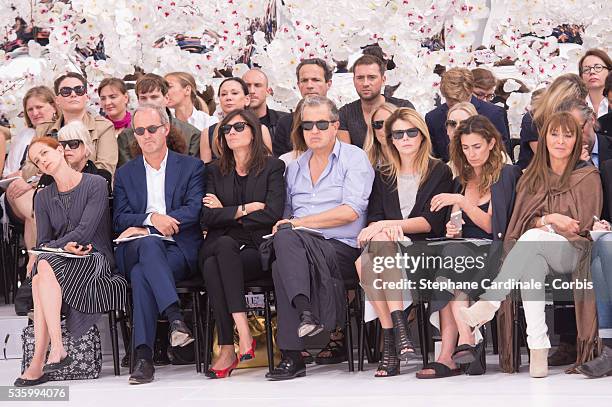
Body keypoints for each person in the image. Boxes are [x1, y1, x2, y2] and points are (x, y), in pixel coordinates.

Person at [460, 112, 602, 378]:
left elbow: (580, 226)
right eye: (554, 134)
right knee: (531, 263)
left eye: (567, 135)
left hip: (573, 252)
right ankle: (538, 350)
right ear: (544, 138)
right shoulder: (532, 177)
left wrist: (547, 223)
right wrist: (552, 219)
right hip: (536, 251)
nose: (560, 141)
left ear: (576, 141)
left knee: (531, 241)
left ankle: (490, 302)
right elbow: (521, 223)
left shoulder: (588, 176)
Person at [265, 95, 374, 380]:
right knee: (283, 250)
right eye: (307, 125)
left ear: (335, 125)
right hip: (300, 249)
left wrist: (296, 224)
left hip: (340, 248)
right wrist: (288, 226)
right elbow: (286, 216)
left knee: (286, 246)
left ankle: (293, 353)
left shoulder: (354, 158)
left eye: (321, 124)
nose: (314, 131)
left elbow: (350, 212)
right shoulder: (295, 167)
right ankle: (306, 317)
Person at [14, 136, 126, 387]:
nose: (42, 161)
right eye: (36, 160)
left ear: (61, 150)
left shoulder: (96, 183)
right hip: (59, 261)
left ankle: (39, 361)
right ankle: (55, 351)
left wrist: (47, 250)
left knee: (42, 265)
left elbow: (86, 232)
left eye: (44, 153)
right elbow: (43, 240)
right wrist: (50, 251)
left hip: (94, 256)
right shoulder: (42, 197)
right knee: (42, 268)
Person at [414, 115, 521, 379]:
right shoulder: (461, 179)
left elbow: (489, 226)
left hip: (494, 252)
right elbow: (459, 222)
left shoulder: (505, 175)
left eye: (477, 146)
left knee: (450, 261)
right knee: (449, 258)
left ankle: (454, 349)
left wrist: (461, 201)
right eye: (465, 148)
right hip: (463, 250)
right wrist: (454, 228)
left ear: (492, 143)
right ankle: (464, 340)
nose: (471, 154)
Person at [355, 107, 452, 377]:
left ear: (422, 135)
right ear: (390, 139)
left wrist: (387, 226)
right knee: (375, 253)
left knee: (366, 261)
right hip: (387, 248)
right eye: (399, 133)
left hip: (422, 249)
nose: (406, 138)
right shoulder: (383, 173)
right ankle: (399, 330)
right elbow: (374, 217)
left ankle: (390, 342)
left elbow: (429, 222)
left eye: (412, 132)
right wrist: (383, 229)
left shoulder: (438, 170)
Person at [113, 104, 205, 384]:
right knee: (149, 246)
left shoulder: (191, 166)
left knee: (143, 274)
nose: (146, 135)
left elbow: (194, 210)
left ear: (165, 129)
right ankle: (174, 316)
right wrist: (153, 219)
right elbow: (119, 218)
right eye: (139, 130)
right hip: (134, 248)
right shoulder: (126, 173)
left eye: (152, 129)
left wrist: (157, 223)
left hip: (177, 248)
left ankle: (143, 356)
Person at [199, 109, 285, 378]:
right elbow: (206, 216)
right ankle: (244, 334)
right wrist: (246, 208)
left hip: (256, 249)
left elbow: (272, 213)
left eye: (238, 127)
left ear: (253, 131)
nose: (232, 133)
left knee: (217, 261)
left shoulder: (273, 167)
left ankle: (228, 346)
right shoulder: (213, 170)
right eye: (226, 129)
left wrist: (227, 212)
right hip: (220, 242)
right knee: (222, 247)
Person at [3, 86, 59, 275]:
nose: (35, 113)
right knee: (37, 206)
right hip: (18, 192)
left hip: (45, 189)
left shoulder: (61, 132)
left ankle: (36, 266)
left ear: (53, 106)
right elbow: (9, 174)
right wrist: (23, 179)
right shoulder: (24, 136)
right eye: (30, 109)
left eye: (39, 107)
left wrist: (33, 181)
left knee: (40, 203)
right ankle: (37, 266)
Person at [33, 72, 118, 176]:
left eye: (79, 90)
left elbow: (105, 169)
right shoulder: (43, 130)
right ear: (57, 100)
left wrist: (60, 175)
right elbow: (29, 166)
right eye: (66, 91)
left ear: (86, 97)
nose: (73, 94)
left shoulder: (103, 127)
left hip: (89, 189)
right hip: (48, 188)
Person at [425, 68, 511, 162]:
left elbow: (503, 153)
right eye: (451, 102)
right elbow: (435, 158)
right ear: (444, 95)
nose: (457, 107)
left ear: (471, 92)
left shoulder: (494, 114)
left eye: (462, 100)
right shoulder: (433, 118)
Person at [117, 73, 201, 167]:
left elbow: (191, 171)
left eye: (154, 97)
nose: (149, 102)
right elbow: (128, 174)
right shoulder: (126, 136)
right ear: (138, 101)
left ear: (166, 98)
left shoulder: (192, 134)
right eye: (143, 98)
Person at [337, 55, 414, 148]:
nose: (365, 83)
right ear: (353, 80)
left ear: (383, 80)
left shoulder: (402, 107)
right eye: (360, 78)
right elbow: (346, 156)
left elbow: (414, 145)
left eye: (371, 77)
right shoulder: (345, 113)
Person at [580, 156, 612, 378]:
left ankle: (609, 351)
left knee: (602, 262)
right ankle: (609, 350)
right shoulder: (609, 168)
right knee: (603, 249)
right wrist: (606, 224)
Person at [516, 74, 588, 170]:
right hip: (537, 174)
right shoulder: (533, 119)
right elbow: (544, 158)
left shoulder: (577, 118)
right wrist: (576, 159)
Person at [199, 77, 273, 163]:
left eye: (234, 93)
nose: (228, 98)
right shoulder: (207, 133)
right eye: (223, 94)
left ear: (247, 99)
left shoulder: (261, 130)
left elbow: (268, 165)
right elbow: (206, 169)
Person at [273, 58, 333, 157]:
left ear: (328, 84)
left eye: (316, 80)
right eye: (304, 80)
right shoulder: (285, 123)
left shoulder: (339, 119)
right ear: (298, 85)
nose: (309, 85)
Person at [35, 121, 112, 195]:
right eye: (63, 144)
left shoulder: (101, 176)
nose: (67, 148)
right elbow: (38, 206)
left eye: (73, 144)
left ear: (86, 147)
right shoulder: (48, 177)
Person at [242, 68, 291, 157]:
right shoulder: (232, 124)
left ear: (268, 91)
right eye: (247, 86)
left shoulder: (286, 121)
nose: (252, 91)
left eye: (257, 85)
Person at [579, 48, 611, 118]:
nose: (592, 72)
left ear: (609, 71)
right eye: (586, 69)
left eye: (598, 67)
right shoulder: (576, 106)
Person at [363, 103, 398, 168]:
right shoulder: (364, 163)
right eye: (378, 124)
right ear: (373, 131)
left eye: (390, 123)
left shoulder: (416, 161)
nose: (385, 129)